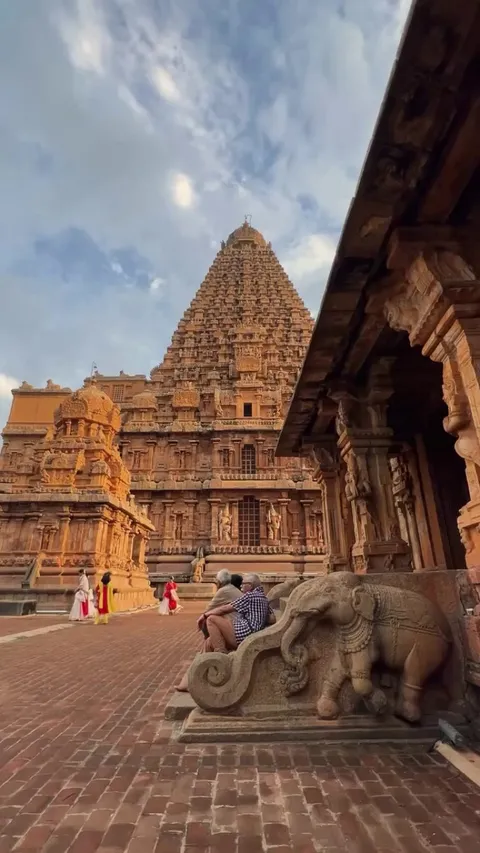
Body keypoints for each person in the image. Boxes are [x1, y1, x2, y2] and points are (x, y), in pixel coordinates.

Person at [175, 569, 242, 692]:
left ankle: (219, 657)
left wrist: (203, 619)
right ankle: (190, 681)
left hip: (235, 630)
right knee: (207, 644)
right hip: (235, 628)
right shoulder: (233, 589)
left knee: (211, 620)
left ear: (219, 582)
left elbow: (208, 609)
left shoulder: (223, 591)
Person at [202, 573, 274, 654]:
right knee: (210, 641)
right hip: (250, 633)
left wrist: (205, 615)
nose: (241, 586)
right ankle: (210, 664)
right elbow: (272, 618)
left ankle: (221, 653)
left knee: (211, 619)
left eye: (243, 584)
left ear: (250, 585)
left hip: (244, 634)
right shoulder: (263, 597)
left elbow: (224, 609)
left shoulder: (250, 596)